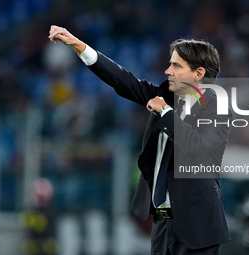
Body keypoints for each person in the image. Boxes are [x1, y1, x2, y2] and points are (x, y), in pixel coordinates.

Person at [49, 25, 232, 255]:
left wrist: (165, 111)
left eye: (176, 65)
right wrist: (79, 45)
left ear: (199, 73)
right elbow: (123, 81)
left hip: (198, 224)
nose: (168, 71)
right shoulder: (167, 96)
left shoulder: (218, 107)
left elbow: (196, 146)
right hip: (163, 224)